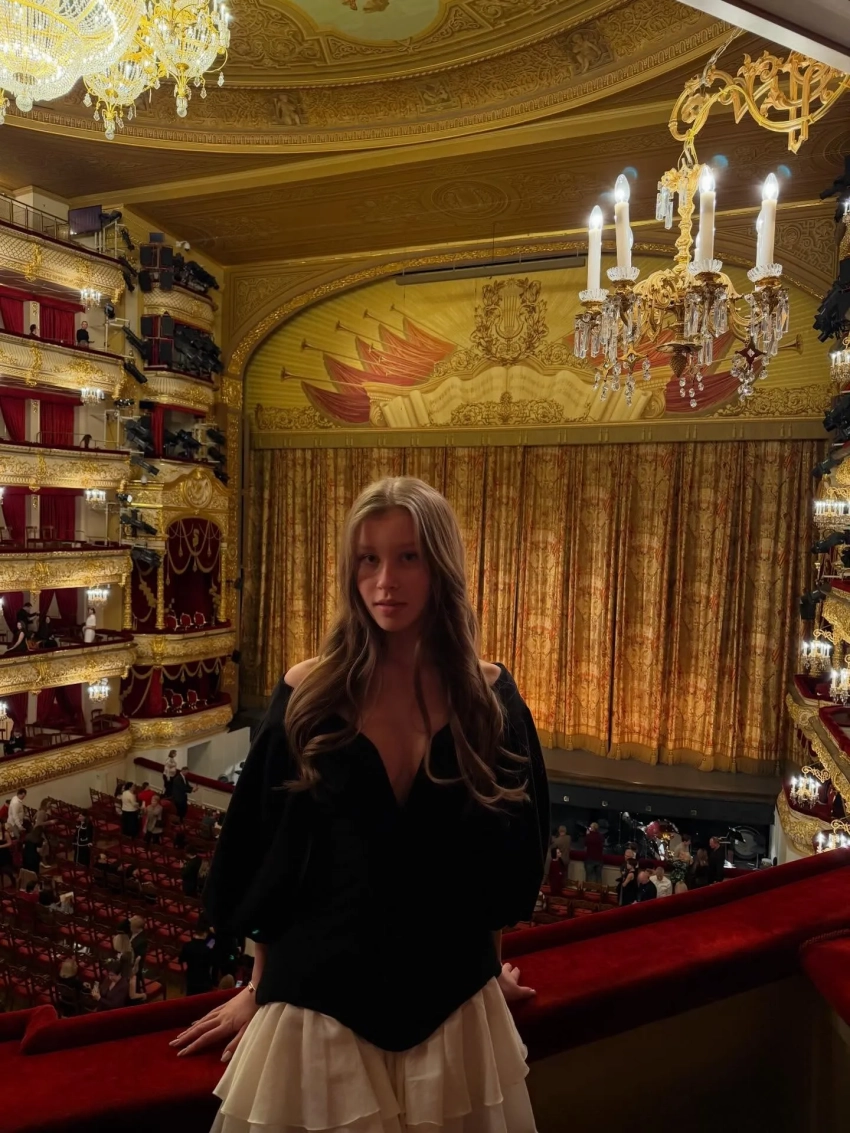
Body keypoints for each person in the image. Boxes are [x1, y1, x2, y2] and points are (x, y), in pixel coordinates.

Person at [171, 476, 549, 1132]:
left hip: (454, 1006)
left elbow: (496, 862)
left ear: (442, 565)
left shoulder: (490, 702)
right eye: (368, 559)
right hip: (318, 1012)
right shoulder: (309, 694)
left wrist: (488, 971)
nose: (384, 581)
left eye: (408, 557)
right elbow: (270, 854)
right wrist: (258, 988)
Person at [181, 918, 216, 996]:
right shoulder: (208, 950)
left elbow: (181, 959)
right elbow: (212, 964)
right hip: (204, 983)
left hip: (191, 981)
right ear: (205, 933)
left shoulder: (186, 946)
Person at [0, 821, 16, 889]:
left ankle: (14, 882)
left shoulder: (5, 833)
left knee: (8, 871)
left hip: (5, 854)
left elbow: (10, 843)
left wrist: (1, 846)